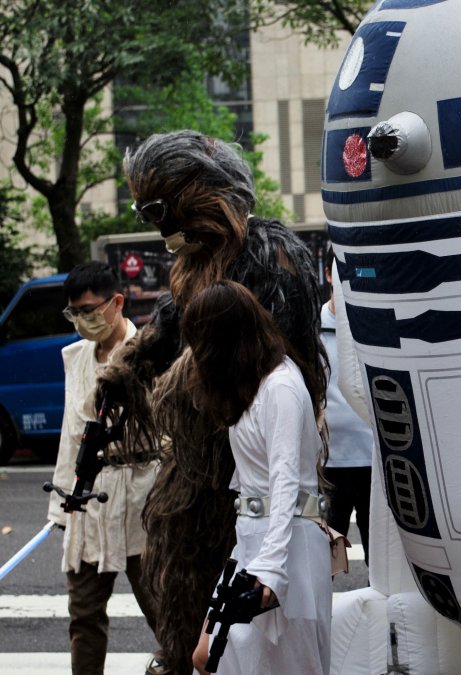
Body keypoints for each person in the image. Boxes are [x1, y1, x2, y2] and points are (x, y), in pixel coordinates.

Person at [98, 130, 327, 672]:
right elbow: (169, 325)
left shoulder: (268, 255)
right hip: (209, 466)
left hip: (252, 464)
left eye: (159, 209)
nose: (157, 225)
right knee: (183, 573)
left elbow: (269, 353)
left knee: (270, 644)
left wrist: (184, 379)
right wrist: (127, 367)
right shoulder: (193, 265)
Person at [186, 282, 332, 675]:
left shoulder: (280, 387)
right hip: (256, 542)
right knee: (209, 658)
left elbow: (285, 482)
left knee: (286, 667)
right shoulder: (256, 384)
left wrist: (271, 567)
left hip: (287, 549)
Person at [47, 262, 165, 675]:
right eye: (75, 313)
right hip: (87, 497)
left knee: (161, 607)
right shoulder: (76, 356)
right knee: (83, 612)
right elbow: (70, 433)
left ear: (117, 302)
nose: (83, 320)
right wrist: (62, 506)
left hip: (141, 493)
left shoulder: (150, 351)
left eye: (90, 310)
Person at [320, 252, 372, 563]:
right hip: (329, 463)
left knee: (377, 559)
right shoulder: (311, 330)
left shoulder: (371, 324)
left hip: (372, 460)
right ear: (329, 275)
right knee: (328, 558)